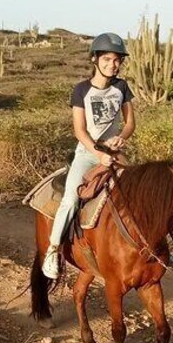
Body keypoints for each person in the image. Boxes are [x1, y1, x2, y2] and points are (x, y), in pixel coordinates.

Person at [41, 32, 135, 279]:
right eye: (107, 59)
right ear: (95, 59)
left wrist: (121, 138)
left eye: (116, 60)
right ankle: (52, 250)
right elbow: (79, 131)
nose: (112, 65)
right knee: (71, 198)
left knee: (140, 192)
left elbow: (130, 123)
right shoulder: (81, 90)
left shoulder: (122, 87)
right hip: (88, 152)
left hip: (114, 151)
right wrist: (98, 153)